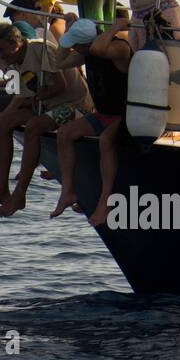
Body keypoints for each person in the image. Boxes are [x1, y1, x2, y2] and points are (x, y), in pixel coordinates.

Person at [0, 23, 92, 216]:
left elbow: (60, 85)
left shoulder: (39, 49)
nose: (1, 55)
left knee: (34, 126)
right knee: (3, 123)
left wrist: (37, 96)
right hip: (46, 105)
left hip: (73, 106)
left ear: (16, 43)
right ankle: (1, 189)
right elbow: (22, 95)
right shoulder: (16, 61)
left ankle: (20, 194)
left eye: (2, 50)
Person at [49, 17, 134, 227]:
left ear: (87, 43)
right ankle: (68, 191)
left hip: (123, 115)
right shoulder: (87, 53)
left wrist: (115, 28)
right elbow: (58, 63)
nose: (73, 48)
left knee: (106, 141)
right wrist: (68, 34)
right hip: (102, 114)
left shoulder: (118, 49)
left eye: (75, 44)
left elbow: (99, 49)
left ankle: (105, 201)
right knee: (65, 133)